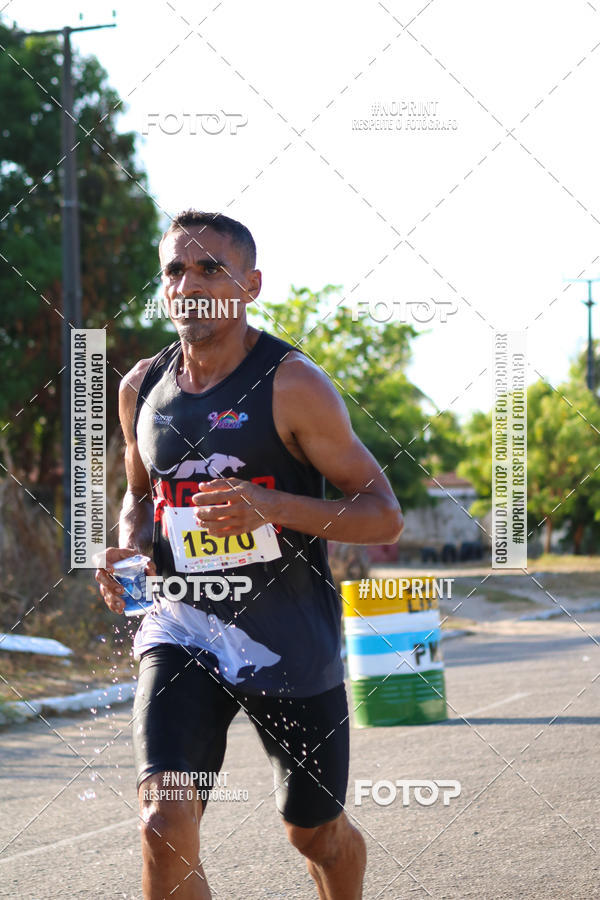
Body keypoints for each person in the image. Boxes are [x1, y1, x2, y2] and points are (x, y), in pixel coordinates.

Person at [95, 209, 403, 899]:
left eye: (211, 268)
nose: (190, 284)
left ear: (251, 285)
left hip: (288, 636)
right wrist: (124, 547)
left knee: (313, 832)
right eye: (176, 269)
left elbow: (384, 512)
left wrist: (277, 508)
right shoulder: (141, 388)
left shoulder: (293, 385)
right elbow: (139, 494)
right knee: (160, 821)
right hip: (181, 626)